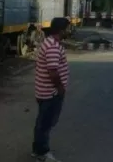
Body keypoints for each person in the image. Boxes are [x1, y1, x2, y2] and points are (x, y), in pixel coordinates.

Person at [32, 17, 70, 162]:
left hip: (44, 91)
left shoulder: (50, 42)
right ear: (61, 30)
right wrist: (60, 88)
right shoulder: (53, 46)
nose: (69, 31)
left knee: (42, 122)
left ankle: (37, 149)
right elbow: (53, 72)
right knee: (46, 123)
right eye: (67, 28)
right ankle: (42, 152)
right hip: (50, 92)